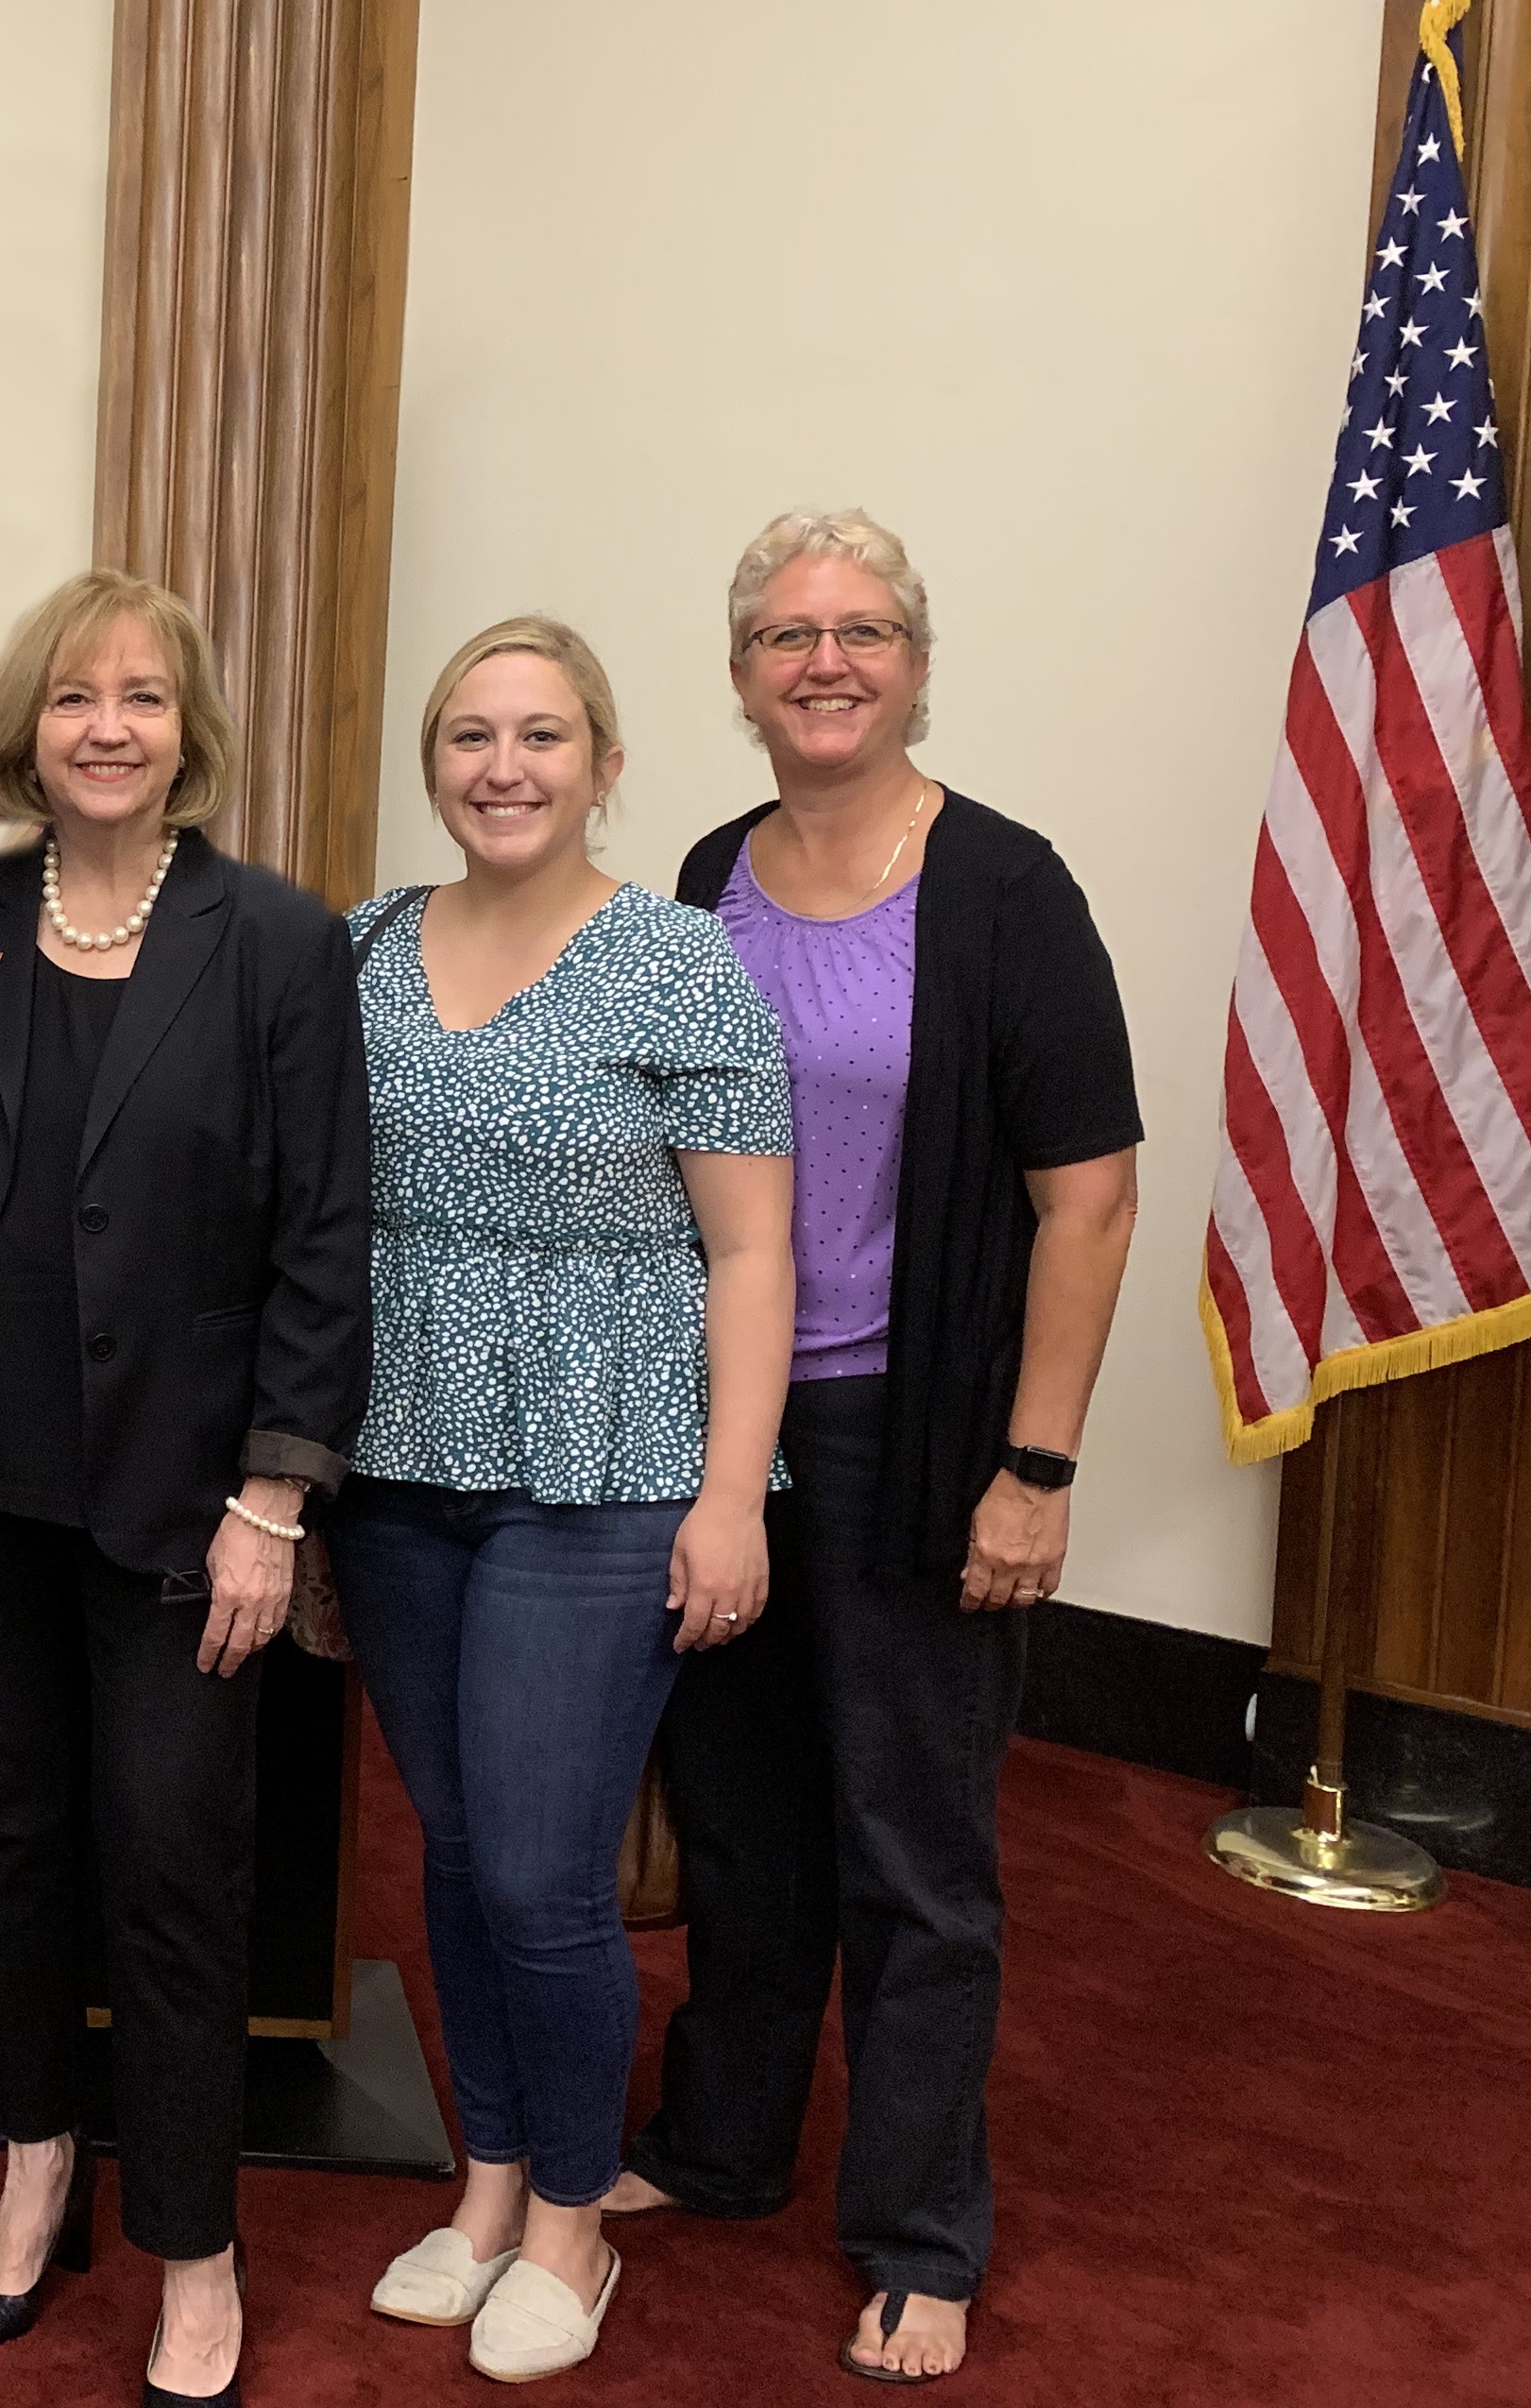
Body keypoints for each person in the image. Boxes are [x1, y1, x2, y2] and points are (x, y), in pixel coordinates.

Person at [604, 513, 1138, 2387]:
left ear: (916, 661)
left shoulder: (1004, 889)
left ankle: (923, 2232)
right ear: (737, 672)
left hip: (917, 1445)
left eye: (862, 631)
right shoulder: (699, 875)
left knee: (918, 1859)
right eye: (783, 634)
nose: (823, 662)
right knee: (745, 1833)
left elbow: (1090, 1201)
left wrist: (1036, 1467)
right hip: (724, 1434)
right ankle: (723, 2145)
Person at [0, 570, 370, 2408]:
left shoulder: (277, 944)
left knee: (173, 1869)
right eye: (76, 695)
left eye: (144, 698)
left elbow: (325, 1245)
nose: (106, 725)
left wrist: (276, 1499)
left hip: (189, 1513)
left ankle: (194, 2241)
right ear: (30, 725)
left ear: (189, 732)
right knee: (1, 1841)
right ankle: (32, 2163)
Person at [336, 616, 793, 2387]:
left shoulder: (680, 965)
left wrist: (729, 1496)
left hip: (603, 1472)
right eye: (468, 732)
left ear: (605, 761)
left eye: (541, 733)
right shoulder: (366, 944)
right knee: (452, 1849)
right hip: (397, 1470)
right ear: (433, 761)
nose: (501, 764)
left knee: (541, 1869)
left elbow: (749, 1246)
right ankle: (490, 2173)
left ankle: (574, 2220)